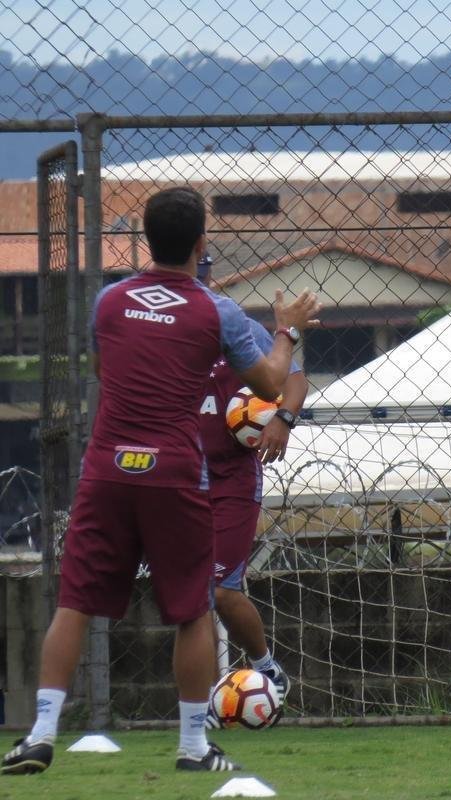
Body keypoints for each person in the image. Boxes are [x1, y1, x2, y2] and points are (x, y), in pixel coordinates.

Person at [1, 187, 321, 775]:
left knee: (74, 603)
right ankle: (193, 747)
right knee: (194, 610)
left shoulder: (108, 302)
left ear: (147, 240)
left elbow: (105, 368)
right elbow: (274, 385)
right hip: (175, 470)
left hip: (106, 468)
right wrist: (287, 331)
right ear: (202, 244)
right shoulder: (216, 310)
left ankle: (41, 733)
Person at [196, 254, 307, 716]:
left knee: (221, 590)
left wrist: (282, 417)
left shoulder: (236, 326)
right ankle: (198, 706)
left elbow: (295, 380)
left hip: (232, 476)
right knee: (188, 594)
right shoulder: (168, 330)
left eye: (203, 273)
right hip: (178, 475)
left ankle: (266, 667)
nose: (199, 282)